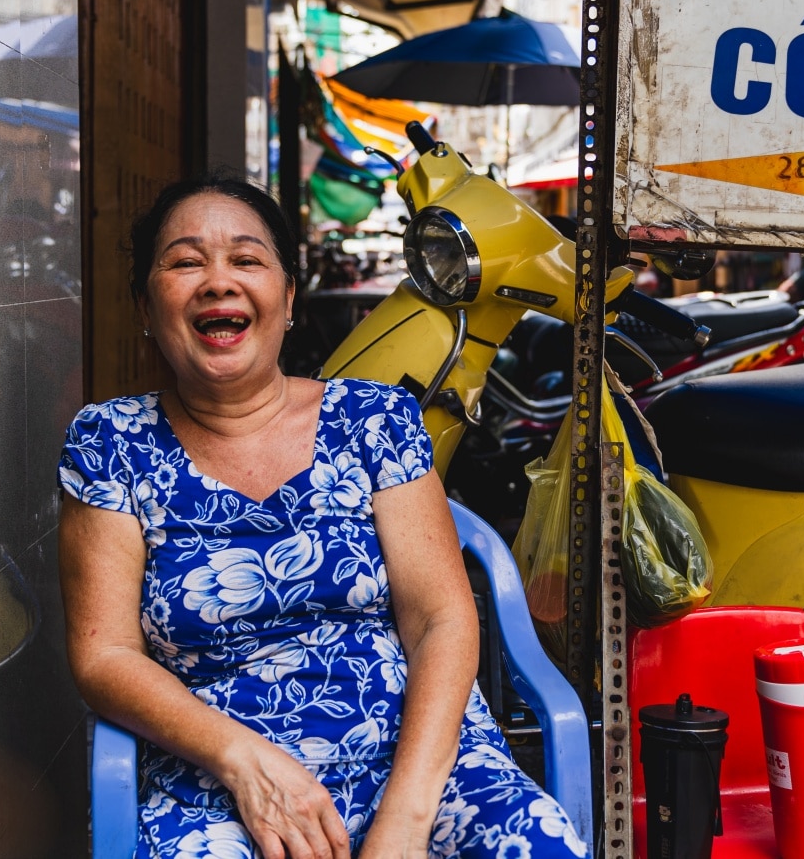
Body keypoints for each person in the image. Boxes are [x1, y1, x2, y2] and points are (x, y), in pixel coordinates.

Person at [58, 174, 587, 859]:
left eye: (247, 259)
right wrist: (243, 761)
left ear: (286, 301)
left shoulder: (373, 419)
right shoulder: (111, 444)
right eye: (186, 261)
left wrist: (405, 818)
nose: (219, 281)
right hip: (218, 781)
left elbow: (441, 618)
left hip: (424, 764)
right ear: (145, 306)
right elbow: (103, 655)